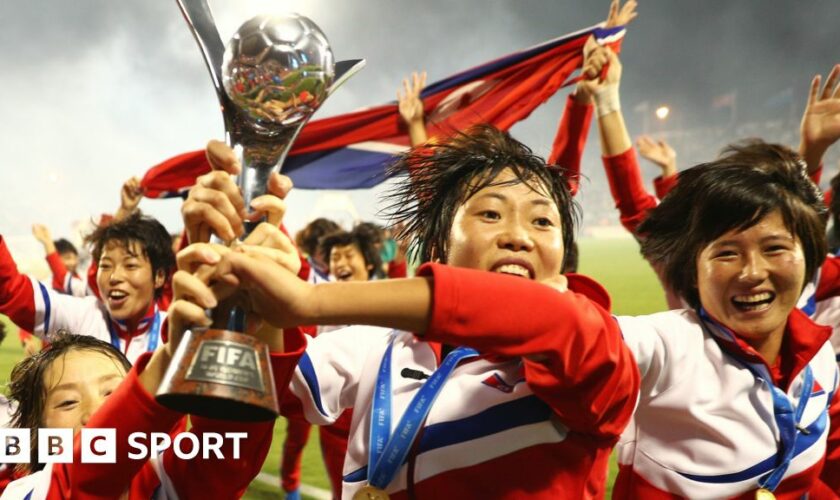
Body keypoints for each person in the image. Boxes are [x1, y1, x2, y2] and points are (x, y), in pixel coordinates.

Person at [175, 123, 640, 499]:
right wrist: (237, 266)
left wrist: (309, 303)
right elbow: (273, 394)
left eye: (542, 220)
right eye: (491, 214)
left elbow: (551, 319)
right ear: (438, 247)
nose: (518, 235)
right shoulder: (379, 343)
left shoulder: (592, 350)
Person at [1, 297, 278, 498]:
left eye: (114, 394)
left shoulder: (166, 479)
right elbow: (82, 480)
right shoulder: (23, 493)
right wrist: (172, 359)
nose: (96, 412)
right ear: (37, 435)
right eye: (67, 402)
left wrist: (266, 316)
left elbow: (230, 448)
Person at [0, 212, 175, 364]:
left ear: (159, 276)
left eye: (130, 265)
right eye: (105, 265)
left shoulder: (176, 334)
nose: (114, 277)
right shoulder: (84, 316)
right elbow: (13, 291)